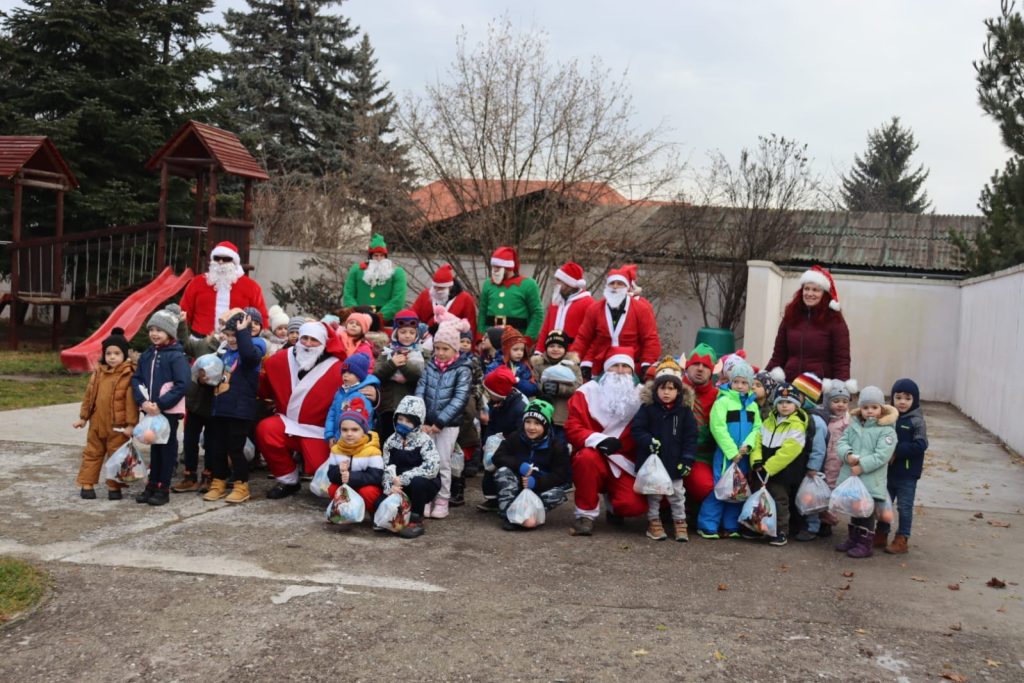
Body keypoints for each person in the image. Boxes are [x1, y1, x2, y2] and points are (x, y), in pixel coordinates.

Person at [256, 322, 346, 499]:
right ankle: (288, 480)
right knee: (266, 429)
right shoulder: (278, 360)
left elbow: (359, 386)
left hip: (320, 431)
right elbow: (263, 389)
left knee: (323, 477)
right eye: (304, 338)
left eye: (314, 340)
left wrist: (372, 391)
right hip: (288, 424)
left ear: (323, 343)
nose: (308, 343)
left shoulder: (338, 368)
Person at [565, 347, 646, 536]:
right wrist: (598, 440)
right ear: (605, 370)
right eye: (614, 366)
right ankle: (585, 515)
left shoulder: (643, 396)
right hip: (594, 456)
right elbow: (573, 427)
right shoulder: (586, 392)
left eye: (625, 366)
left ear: (632, 371)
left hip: (625, 462)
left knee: (633, 507)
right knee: (586, 458)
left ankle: (614, 506)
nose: (619, 370)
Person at [631, 357, 698, 542]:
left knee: (678, 495)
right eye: (663, 388)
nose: (666, 392)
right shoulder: (648, 408)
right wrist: (647, 441)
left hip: (675, 462)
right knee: (654, 496)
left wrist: (687, 460)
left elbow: (691, 438)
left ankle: (679, 522)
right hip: (653, 463)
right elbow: (637, 429)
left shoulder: (685, 412)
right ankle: (653, 522)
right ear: (656, 389)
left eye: (671, 388)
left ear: (678, 391)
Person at [415, 313, 473, 519]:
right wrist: (420, 418)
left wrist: (440, 421)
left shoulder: (463, 369)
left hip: (447, 424)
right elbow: (420, 390)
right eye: (437, 347)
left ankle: (442, 498)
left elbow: (459, 398)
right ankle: (426, 497)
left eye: (445, 349)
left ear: (455, 349)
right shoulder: (429, 366)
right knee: (425, 460)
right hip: (427, 423)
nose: (440, 352)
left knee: (442, 461)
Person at [201, 310, 263, 504]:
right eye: (227, 335)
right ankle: (218, 482)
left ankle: (241, 484)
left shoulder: (251, 353)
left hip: (240, 409)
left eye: (234, 335)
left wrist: (243, 333)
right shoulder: (224, 353)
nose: (230, 339)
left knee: (236, 449)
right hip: (221, 407)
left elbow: (248, 355)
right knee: (217, 447)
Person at [131, 308, 190, 506]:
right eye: (152, 329)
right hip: (150, 410)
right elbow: (137, 379)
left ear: (170, 333)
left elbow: (183, 384)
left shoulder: (176, 356)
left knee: (166, 449)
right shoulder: (148, 354)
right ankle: (152, 484)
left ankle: (163, 488)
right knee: (154, 448)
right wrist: (142, 402)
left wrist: (162, 404)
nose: (155, 334)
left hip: (168, 412)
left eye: (160, 330)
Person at [698, 360, 761, 540]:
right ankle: (708, 525)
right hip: (727, 455)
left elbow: (757, 428)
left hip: (744, 455)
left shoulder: (752, 405)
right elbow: (717, 427)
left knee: (737, 491)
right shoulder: (723, 401)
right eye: (736, 382)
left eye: (744, 382)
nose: (739, 386)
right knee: (720, 488)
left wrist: (747, 446)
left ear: (749, 384)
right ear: (730, 382)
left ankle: (730, 525)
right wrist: (732, 451)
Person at [73, 327, 138, 500]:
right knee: (92, 453)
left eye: (117, 353)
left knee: (117, 456)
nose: (112, 357)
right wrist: (83, 417)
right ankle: (87, 484)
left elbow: (131, 403)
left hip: (118, 426)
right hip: (96, 423)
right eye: (108, 353)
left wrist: (131, 425)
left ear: (124, 355)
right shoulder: (98, 373)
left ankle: (114, 487)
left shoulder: (128, 375)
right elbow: (90, 396)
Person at [833, 386, 898, 559]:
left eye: (874, 407)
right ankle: (854, 538)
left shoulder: (887, 430)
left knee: (866, 512)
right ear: (860, 408)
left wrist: (862, 466)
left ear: (881, 409)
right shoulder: (854, 426)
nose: (870, 411)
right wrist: (848, 455)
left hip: (870, 479)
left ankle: (865, 543)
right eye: (866, 407)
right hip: (853, 477)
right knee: (855, 510)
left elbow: (882, 455)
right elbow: (841, 443)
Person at [766, 266, 855, 390]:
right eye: (806, 289)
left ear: (824, 294)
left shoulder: (835, 321)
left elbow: (841, 360)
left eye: (815, 290)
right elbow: (778, 355)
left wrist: (840, 389)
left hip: (819, 387)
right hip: (789, 385)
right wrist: (764, 377)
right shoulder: (791, 317)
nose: (809, 294)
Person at [749, 382, 814, 547]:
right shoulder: (768, 421)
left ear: (796, 405)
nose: (784, 406)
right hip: (762, 469)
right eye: (781, 402)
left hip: (782, 471)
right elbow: (757, 440)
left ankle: (780, 531)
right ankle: (761, 527)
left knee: (779, 500)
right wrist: (756, 460)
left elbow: (789, 451)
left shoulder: (797, 424)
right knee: (762, 499)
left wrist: (769, 468)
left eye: (789, 402)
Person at [491, 399, 570, 530]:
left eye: (537, 423)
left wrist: (537, 482)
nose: (531, 427)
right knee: (502, 472)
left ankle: (530, 512)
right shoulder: (515, 437)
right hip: (516, 485)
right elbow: (497, 457)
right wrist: (519, 465)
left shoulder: (557, 446)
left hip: (539, 488)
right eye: (528, 422)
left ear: (546, 426)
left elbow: (562, 476)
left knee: (558, 494)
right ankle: (508, 514)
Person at [571, 265, 661, 380]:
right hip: (601, 366)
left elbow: (650, 339)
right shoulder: (594, 309)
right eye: (612, 283)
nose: (615, 287)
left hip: (631, 367)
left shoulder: (641, 309)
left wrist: (646, 364)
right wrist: (573, 359)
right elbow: (583, 338)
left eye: (619, 283)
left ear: (627, 287)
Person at [877, 378, 928, 554]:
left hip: (907, 474)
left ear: (915, 400)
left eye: (907, 398)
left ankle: (902, 538)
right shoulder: (889, 418)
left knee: (904, 507)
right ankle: (881, 533)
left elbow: (921, 445)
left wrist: (896, 450)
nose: (902, 402)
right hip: (888, 471)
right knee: (884, 504)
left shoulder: (916, 421)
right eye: (898, 397)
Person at [380, 396, 442, 539]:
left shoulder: (425, 441)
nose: (403, 424)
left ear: (417, 422)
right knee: (380, 497)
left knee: (418, 482)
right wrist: (389, 486)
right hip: (397, 484)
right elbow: (386, 466)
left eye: (408, 421)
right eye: (400, 419)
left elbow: (432, 467)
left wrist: (404, 478)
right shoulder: (390, 441)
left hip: (422, 483)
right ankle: (393, 517)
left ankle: (416, 520)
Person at [179, 241, 268, 338]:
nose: (220, 262)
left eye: (226, 259)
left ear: (234, 262)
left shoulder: (251, 286)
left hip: (236, 342)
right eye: (217, 258)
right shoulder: (197, 283)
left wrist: (262, 339)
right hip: (200, 341)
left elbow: (261, 316)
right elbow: (184, 312)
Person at [476, 365, 529, 511]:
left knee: (505, 468)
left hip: (512, 444)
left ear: (498, 392)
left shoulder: (520, 407)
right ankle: (492, 498)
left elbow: (521, 431)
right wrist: (488, 440)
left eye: (489, 392)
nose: (488, 395)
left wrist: (504, 442)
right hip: (497, 441)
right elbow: (492, 424)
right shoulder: (498, 402)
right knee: (489, 466)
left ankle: (510, 496)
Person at [374, 309, 427, 444]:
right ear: (396, 333)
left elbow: (420, 376)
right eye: (403, 332)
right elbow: (377, 375)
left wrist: (402, 364)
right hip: (388, 407)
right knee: (387, 441)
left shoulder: (423, 353)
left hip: (411, 407)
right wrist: (392, 363)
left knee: (408, 444)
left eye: (411, 332)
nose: (407, 336)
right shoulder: (386, 352)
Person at [478, 246, 544, 345]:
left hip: (515, 340)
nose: (494, 270)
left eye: (498, 267)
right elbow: (482, 312)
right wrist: (480, 337)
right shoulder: (488, 284)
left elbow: (537, 313)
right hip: (490, 339)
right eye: (493, 267)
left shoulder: (528, 284)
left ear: (508, 267)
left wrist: (528, 338)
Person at [325, 402, 384, 513]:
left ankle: (372, 513)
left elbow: (376, 477)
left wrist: (351, 477)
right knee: (333, 488)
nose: (349, 434)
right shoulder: (336, 449)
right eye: (345, 430)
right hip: (347, 486)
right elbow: (331, 475)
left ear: (364, 431)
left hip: (363, 487)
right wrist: (340, 471)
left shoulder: (372, 450)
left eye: (355, 429)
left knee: (369, 492)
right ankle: (343, 512)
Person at [791, 373, 829, 542]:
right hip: (797, 464)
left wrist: (813, 467)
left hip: (810, 467)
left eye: (796, 393)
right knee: (799, 494)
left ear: (806, 397)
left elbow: (819, 448)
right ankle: (798, 523)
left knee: (810, 497)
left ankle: (812, 526)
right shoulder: (797, 414)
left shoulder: (816, 421)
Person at [531, 330, 583, 447]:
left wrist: (559, 388)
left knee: (559, 446)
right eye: (552, 346)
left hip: (562, 416)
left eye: (559, 346)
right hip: (542, 414)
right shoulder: (538, 365)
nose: (555, 349)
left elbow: (578, 387)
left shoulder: (572, 366)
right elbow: (533, 384)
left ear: (565, 349)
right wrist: (542, 388)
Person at [681, 343, 718, 506]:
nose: (700, 369)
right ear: (687, 366)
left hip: (701, 457)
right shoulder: (671, 388)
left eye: (705, 366)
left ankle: (693, 506)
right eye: (696, 364)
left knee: (704, 487)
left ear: (712, 371)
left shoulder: (719, 397)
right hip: (672, 453)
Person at [342, 234, 407, 325]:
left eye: (382, 255)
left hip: (386, 320)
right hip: (359, 318)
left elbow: (398, 298)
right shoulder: (356, 270)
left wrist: (380, 317)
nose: (379, 259)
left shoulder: (397, 272)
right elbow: (348, 293)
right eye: (376, 255)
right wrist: (355, 313)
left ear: (386, 256)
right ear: (370, 256)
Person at [819, 378, 852, 534]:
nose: (841, 405)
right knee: (822, 489)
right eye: (836, 401)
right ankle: (821, 517)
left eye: (844, 401)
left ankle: (828, 521)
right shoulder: (824, 419)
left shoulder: (848, 422)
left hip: (838, 462)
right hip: (824, 459)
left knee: (833, 489)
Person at [325, 353, 381, 444]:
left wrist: (339, 439)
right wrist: (330, 435)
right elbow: (332, 414)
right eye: (343, 372)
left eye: (350, 373)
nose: (345, 376)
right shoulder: (340, 392)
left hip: (355, 442)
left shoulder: (362, 395)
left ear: (360, 376)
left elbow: (356, 423)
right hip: (338, 440)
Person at [536, 261, 593, 349]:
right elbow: (545, 329)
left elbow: (588, 335)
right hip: (551, 353)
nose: (556, 284)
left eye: (559, 281)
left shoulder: (588, 303)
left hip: (573, 355)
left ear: (569, 283)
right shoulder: (556, 301)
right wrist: (539, 351)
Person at [413, 263, 478, 338]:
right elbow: (414, 313)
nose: (436, 290)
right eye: (435, 287)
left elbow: (471, 325)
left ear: (450, 287)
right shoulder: (425, 295)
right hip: (426, 338)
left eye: (440, 288)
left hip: (452, 340)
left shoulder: (465, 299)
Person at [486, 325, 537, 397]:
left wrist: (518, 381)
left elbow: (533, 389)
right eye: (515, 349)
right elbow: (488, 383)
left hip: (519, 403)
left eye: (522, 349)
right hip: (498, 404)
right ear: (506, 349)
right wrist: (506, 379)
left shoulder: (524, 366)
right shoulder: (495, 365)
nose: (519, 353)